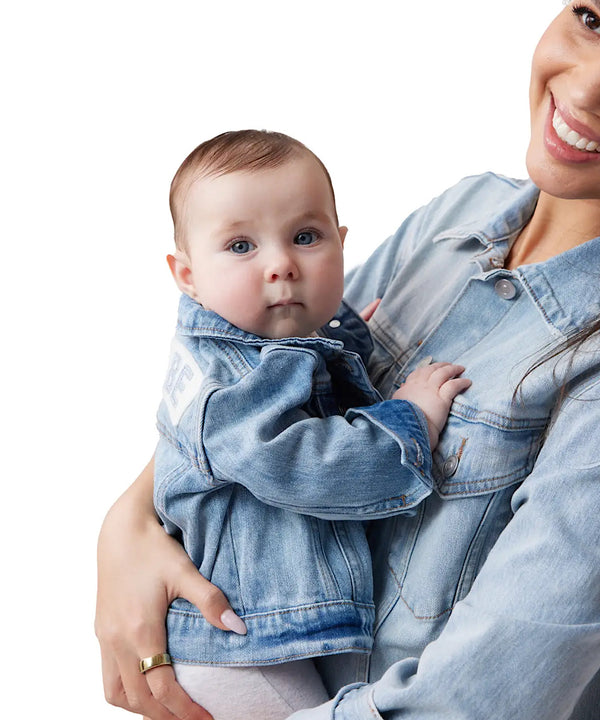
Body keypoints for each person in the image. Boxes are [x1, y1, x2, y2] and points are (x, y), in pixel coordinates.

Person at [95, 3, 600, 718]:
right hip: (249, 652)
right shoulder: (458, 217)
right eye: (592, 19)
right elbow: (263, 399)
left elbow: (478, 700)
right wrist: (125, 525)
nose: (583, 90)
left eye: (306, 237)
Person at [137, 130, 470, 720]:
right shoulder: (230, 382)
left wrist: (342, 340)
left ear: (342, 244)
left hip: (271, 635)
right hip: (239, 652)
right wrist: (410, 419)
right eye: (240, 246)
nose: (282, 265)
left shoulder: (280, 341)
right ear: (186, 275)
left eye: (306, 237)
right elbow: (309, 465)